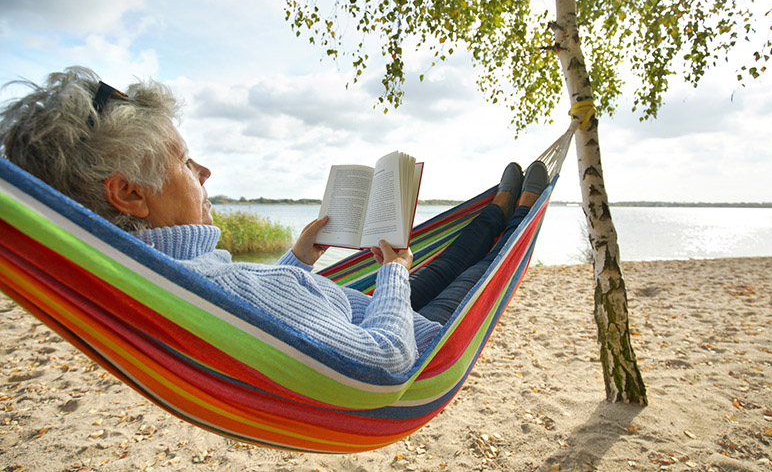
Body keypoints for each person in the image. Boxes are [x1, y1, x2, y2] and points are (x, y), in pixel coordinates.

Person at [0, 67, 549, 376]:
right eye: (185, 163)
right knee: (471, 270)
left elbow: (263, 308)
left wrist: (300, 259)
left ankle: (500, 210)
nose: (205, 171)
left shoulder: (177, 277)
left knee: (453, 256)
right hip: (414, 334)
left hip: (363, 309)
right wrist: (393, 274)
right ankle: (511, 214)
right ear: (128, 194)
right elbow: (387, 356)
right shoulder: (206, 283)